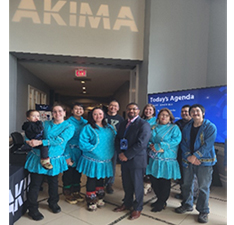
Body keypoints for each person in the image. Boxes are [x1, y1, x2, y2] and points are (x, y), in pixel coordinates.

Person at [24, 103, 75, 221]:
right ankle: (32, 209)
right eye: (55, 112)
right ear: (51, 113)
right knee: (35, 184)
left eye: (60, 111)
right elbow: (30, 131)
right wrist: (28, 141)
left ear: (64, 113)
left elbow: (59, 140)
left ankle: (53, 202)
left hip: (55, 159)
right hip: (38, 157)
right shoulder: (44, 124)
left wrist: (41, 143)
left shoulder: (69, 127)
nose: (57, 114)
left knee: (53, 183)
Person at [175, 104, 217, 224]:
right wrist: (189, 156)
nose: (195, 113)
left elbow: (208, 145)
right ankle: (187, 204)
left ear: (203, 113)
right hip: (188, 160)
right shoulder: (187, 127)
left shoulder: (210, 127)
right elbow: (183, 143)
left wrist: (195, 156)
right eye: (192, 111)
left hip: (205, 162)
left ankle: (203, 211)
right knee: (186, 184)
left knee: (203, 187)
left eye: (197, 111)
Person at [113, 102, 151, 220]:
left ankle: (138, 207)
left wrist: (127, 155)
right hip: (124, 159)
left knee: (137, 185)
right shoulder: (123, 123)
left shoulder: (143, 124)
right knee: (126, 183)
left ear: (138, 111)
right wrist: (120, 153)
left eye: (134, 109)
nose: (131, 111)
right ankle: (127, 203)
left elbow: (141, 143)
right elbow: (117, 139)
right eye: (129, 109)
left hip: (136, 160)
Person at [77, 107, 116, 211]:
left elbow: (114, 140)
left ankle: (99, 198)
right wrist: (95, 150)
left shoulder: (109, 127)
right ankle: (91, 201)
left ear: (103, 115)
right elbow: (83, 142)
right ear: (91, 116)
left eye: (100, 114)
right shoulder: (88, 127)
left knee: (100, 179)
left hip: (106, 159)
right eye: (95, 114)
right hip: (92, 158)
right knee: (92, 179)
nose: (98, 116)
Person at [146, 108, 181, 212]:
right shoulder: (154, 127)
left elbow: (176, 140)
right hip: (154, 158)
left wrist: (161, 146)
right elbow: (148, 139)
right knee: (154, 180)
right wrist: (151, 146)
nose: (164, 117)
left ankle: (161, 202)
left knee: (164, 182)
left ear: (170, 117)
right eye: (162, 115)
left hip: (167, 158)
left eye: (166, 115)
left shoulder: (174, 128)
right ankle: (159, 199)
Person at [62, 103, 87, 204]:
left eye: (80, 109)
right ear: (72, 111)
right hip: (70, 150)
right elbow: (64, 141)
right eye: (76, 109)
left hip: (80, 152)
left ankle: (76, 191)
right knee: (68, 172)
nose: (78, 111)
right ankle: (67, 192)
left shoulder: (86, 123)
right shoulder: (67, 123)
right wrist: (67, 156)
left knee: (78, 172)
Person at [105, 100, 124, 194]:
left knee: (112, 165)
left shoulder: (121, 119)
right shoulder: (102, 116)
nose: (113, 107)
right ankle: (100, 182)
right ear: (108, 106)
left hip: (114, 145)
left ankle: (109, 183)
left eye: (115, 106)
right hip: (102, 145)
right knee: (102, 163)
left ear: (118, 108)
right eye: (111, 105)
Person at [175, 105, 192, 199]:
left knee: (191, 177)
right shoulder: (177, 123)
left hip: (191, 154)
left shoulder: (194, 123)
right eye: (182, 111)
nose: (184, 113)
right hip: (179, 153)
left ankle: (192, 196)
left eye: (186, 111)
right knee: (181, 175)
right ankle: (183, 193)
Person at [141, 104, 156, 195]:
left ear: (153, 111)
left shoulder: (156, 122)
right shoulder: (141, 120)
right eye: (146, 109)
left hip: (152, 148)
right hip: (141, 148)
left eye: (150, 110)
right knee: (143, 167)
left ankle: (148, 186)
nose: (148, 111)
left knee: (150, 167)